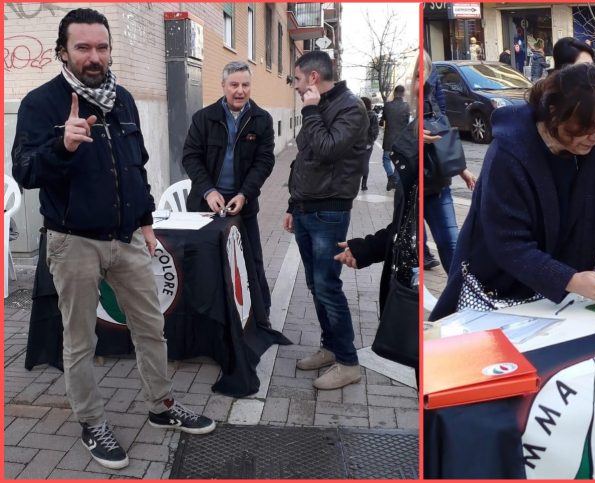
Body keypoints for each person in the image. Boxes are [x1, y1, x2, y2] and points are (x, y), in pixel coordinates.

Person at [11, 8, 215, 470]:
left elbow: (135, 166)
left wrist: (146, 224)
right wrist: (61, 147)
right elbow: (23, 171)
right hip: (72, 242)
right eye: (82, 47)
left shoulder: (121, 98)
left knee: (150, 326)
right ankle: (92, 423)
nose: (94, 56)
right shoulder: (41, 103)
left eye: (101, 47)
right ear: (62, 51)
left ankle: (162, 407)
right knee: (80, 340)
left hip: (127, 239)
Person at [432, 63, 595, 320]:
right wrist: (570, 280)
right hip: (498, 290)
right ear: (554, 112)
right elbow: (508, 243)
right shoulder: (509, 155)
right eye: (584, 128)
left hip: (559, 300)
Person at [284, 50, 368, 390]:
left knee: (328, 286)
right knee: (315, 284)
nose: (294, 85)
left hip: (329, 211)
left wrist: (310, 109)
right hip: (307, 208)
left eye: (297, 79)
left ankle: (348, 362)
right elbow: (305, 158)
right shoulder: (324, 106)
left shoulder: (349, 106)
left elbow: (327, 149)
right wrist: (292, 203)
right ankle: (330, 347)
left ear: (313, 78)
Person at [336, 56, 422, 371]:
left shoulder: (426, 147)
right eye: (417, 75)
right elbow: (404, 228)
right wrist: (367, 248)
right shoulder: (410, 145)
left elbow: (416, 233)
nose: (422, 83)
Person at [181, 61, 275, 315]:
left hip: (243, 206)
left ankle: (260, 313)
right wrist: (208, 191)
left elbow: (264, 161)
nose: (240, 91)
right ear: (223, 85)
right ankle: (201, 314)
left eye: (245, 85)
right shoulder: (203, 118)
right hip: (204, 207)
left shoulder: (262, 120)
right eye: (234, 85)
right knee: (203, 262)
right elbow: (190, 157)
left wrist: (244, 194)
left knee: (251, 259)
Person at [423, 53, 476, 274]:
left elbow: (442, 123)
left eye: (422, 73)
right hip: (410, 186)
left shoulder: (432, 95)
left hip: (436, 180)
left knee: (451, 244)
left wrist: (460, 167)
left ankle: (462, 298)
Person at [380, 85, 409, 191]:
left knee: (386, 159)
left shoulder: (387, 106)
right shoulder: (407, 106)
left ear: (394, 93)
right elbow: (407, 123)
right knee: (399, 161)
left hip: (389, 138)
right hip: (401, 140)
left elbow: (383, 120)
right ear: (403, 93)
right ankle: (395, 180)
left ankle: (391, 177)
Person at [359, 96, 380, 191]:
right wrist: (370, 141)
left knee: (357, 163)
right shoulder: (373, 115)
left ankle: (361, 183)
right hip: (367, 144)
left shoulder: (357, 114)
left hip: (357, 143)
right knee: (365, 163)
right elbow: (375, 131)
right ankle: (364, 184)